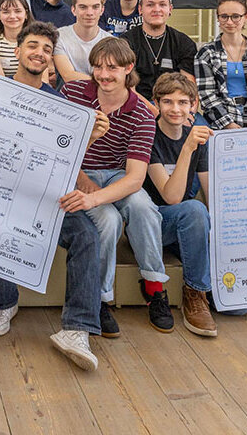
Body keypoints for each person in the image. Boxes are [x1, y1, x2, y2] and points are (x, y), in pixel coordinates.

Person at [0, 21, 108, 370]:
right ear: (17, 51)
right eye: (33, 46)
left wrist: (90, 138)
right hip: (1, 195)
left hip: (48, 197)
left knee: (86, 235)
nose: (40, 53)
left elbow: (66, 158)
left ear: (51, 60)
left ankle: (77, 329)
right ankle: (5, 302)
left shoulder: (59, 104)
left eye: (47, 50)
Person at [60, 38, 171, 336]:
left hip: (117, 174)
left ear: (128, 69)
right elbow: (57, 148)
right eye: (98, 67)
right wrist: (82, 181)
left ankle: (154, 286)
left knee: (143, 207)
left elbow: (134, 178)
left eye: (112, 68)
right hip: (74, 171)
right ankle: (100, 298)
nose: (104, 74)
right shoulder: (72, 93)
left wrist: (93, 200)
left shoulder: (142, 114)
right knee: (108, 221)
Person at [146, 72, 217, 337]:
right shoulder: (148, 135)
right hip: (152, 224)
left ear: (193, 105)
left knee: (200, 212)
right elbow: (171, 197)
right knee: (193, 208)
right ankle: (194, 293)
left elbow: (210, 192)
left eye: (183, 102)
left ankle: (211, 293)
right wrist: (187, 148)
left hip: (185, 223)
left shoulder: (196, 138)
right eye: (168, 102)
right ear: (157, 103)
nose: (175, 109)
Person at [195, 0, 247, 130]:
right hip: (220, 123)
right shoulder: (206, 53)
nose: (230, 22)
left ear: (245, 17)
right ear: (218, 18)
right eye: (224, 16)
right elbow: (207, 95)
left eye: (236, 16)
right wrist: (228, 124)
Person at [120, 0, 197, 102]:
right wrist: (156, 115)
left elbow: (189, 87)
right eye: (150, 5)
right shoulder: (126, 42)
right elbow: (129, 90)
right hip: (137, 104)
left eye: (162, 5)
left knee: (199, 121)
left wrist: (190, 115)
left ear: (170, 9)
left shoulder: (183, 42)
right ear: (140, 10)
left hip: (174, 105)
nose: (156, 9)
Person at [53, 0, 113, 82]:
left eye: (95, 7)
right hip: (67, 96)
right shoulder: (59, 36)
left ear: (102, 10)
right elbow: (68, 76)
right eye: (83, 7)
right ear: (73, 10)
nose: (89, 13)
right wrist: (100, 81)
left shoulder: (111, 42)